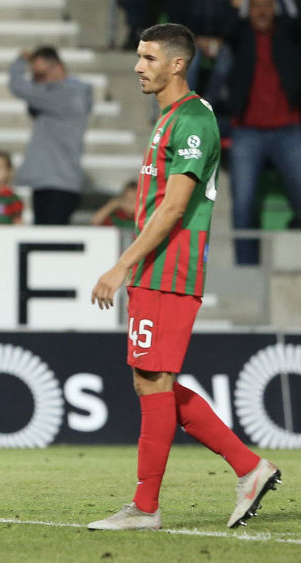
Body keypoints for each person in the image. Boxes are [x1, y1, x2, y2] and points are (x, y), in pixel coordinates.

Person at [88, 23, 280, 532]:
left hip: (169, 267)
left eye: (148, 57)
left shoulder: (193, 120)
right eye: (138, 56)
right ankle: (249, 468)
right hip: (159, 268)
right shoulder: (170, 117)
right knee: (152, 379)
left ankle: (147, 508)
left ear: (177, 63)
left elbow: (174, 207)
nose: (138, 66)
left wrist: (122, 263)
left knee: (153, 379)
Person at [225, 0, 301, 265]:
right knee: (242, 207)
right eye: (255, 5)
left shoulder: (289, 32)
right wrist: (237, 8)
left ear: (276, 9)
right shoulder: (239, 36)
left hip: (289, 130)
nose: (261, 11)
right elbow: (226, 26)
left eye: (267, 5)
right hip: (247, 133)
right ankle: (246, 270)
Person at [9, 46, 92, 225]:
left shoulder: (66, 94)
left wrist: (21, 61)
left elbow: (18, 87)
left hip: (57, 185)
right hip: (53, 183)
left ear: (58, 67)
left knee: (51, 247)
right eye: (35, 77)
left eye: (41, 75)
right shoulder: (68, 93)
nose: (37, 83)